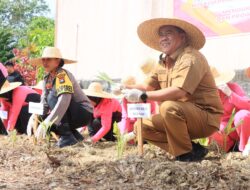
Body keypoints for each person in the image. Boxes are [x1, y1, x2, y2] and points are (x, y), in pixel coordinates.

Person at [122, 18, 223, 161]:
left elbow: (179, 91)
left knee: (168, 107)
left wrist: (143, 96)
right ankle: (193, 150)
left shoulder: (191, 58)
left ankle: (184, 155)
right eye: (161, 34)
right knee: (141, 127)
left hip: (205, 117)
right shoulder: (163, 62)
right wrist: (124, 88)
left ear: (182, 37)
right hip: (178, 116)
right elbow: (147, 86)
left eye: (168, 33)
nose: (163, 38)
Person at [27, 47, 93, 148]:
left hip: (83, 112)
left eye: (48, 59)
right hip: (69, 113)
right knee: (44, 121)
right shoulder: (46, 79)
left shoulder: (62, 75)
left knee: (52, 98)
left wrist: (49, 121)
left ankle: (67, 136)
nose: (45, 62)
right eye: (43, 59)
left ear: (57, 61)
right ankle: (75, 136)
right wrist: (35, 117)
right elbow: (44, 103)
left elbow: (64, 99)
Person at [210, 67, 250, 152]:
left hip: (240, 126)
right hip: (224, 131)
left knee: (243, 115)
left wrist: (230, 93)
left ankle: (245, 148)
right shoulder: (207, 95)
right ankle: (228, 148)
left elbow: (247, 105)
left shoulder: (233, 87)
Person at [0, 63, 40, 135]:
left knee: (22, 110)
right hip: (23, 108)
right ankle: (19, 130)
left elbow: (15, 111)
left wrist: (9, 129)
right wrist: (4, 130)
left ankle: (28, 131)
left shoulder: (18, 92)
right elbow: (4, 113)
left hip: (36, 106)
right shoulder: (3, 97)